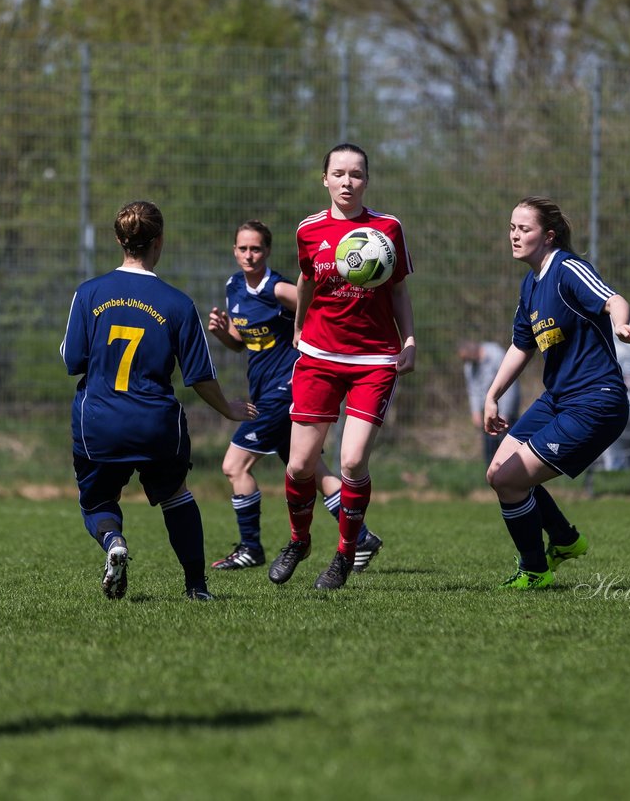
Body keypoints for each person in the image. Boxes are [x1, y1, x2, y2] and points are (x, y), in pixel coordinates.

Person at [61, 200, 256, 603]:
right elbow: (200, 376)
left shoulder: (88, 293)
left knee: (98, 500)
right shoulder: (178, 304)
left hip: (99, 423)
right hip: (156, 425)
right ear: (160, 241)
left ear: (119, 240)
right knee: (176, 495)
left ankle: (114, 540)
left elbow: (72, 359)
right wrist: (228, 409)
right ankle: (197, 587)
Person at [268, 143, 416, 590]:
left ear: (366, 180)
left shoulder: (387, 228)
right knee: (299, 467)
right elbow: (307, 281)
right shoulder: (309, 230)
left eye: (356, 174)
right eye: (339, 173)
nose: (347, 181)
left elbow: (398, 292)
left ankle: (345, 554)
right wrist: (297, 327)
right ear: (325, 179)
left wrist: (409, 340)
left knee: (352, 462)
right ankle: (299, 540)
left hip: (374, 359)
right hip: (318, 356)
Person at [483, 198, 630, 590]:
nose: (515, 236)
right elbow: (522, 346)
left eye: (525, 229)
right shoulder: (531, 284)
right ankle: (565, 539)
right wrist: (492, 395)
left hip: (596, 401)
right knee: (498, 473)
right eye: (511, 228)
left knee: (510, 480)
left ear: (548, 236)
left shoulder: (567, 268)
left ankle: (535, 568)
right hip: (559, 399)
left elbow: (613, 299)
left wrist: (621, 325)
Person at [206, 220, 383, 572]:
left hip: (284, 390)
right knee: (311, 470)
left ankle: (250, 547)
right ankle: (361, 537)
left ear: (267, 251)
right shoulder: (234, 287)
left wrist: (310, 332)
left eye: (256, 248)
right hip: (264, 389)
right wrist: (224, 334)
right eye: (243, 248)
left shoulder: (277, 289)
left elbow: (314, 298)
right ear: (234, 250)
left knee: (234, 465)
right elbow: (243, 344)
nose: (249, 255)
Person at [458, 340, 520, 462]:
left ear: (472, 352)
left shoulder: (496, 355)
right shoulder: (470, 365)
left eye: (466, 359)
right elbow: (473, 389)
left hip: (506, 408)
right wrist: (475, 411)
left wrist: (505, 413)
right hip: (487, 412)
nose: (466, 363)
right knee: (490, 448)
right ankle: (491, 476)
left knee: (508, 447)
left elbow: (510, 386)